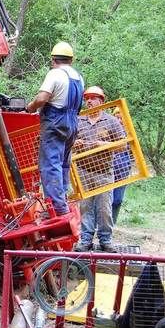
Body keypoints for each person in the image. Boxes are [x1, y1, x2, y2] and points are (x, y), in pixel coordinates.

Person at [26, 41, 84, 216]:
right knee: (64, 163)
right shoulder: (78, 77)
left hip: (55, 122)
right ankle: (62, 200)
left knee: (50, 164)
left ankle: (56, 207)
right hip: (72, 123)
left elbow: (42, 98)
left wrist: (31, 107)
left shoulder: (55, 74)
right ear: (71, 60)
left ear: (53, 60)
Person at [72, 86, 126, 252]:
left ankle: (105, 240)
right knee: (85, 207)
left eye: (93, 98)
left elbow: (123, 145)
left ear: (101, 101)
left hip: (104, 172)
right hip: (83, 171)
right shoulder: (78, 120)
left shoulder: (112, 121)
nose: (89, 101)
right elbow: (68, 143)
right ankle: (86, 239)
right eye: (87, 98)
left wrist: (105, 145)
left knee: (104, 208)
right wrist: (74, 143)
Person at [111, 106, 132, 223]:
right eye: (116, 118)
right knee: (105, 200)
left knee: (117, 199)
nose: (119, 121)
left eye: (121, 118)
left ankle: (112, 222)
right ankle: (102, 223)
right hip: (107, 171)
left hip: (123, 172)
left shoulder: (130, 134)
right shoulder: (108, 132)